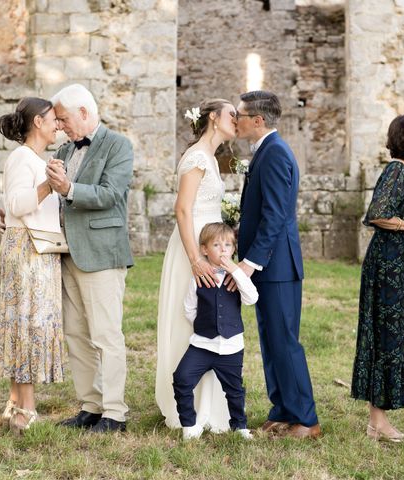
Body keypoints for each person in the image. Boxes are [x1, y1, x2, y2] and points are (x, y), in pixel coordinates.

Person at [45, 84, 134, 433]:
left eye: (64, 119)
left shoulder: (118, 145)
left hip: (101, 253)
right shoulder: (66, 150)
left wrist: (67, 188)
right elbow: (58, 199)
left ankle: (115, 413)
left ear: (84, 112)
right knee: (76, 334)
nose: (61, 126)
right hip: (66, 253)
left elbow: (112, 195)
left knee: (106, 334)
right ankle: (90, 405)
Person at [235, 90, 320, 439]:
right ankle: (282, 407)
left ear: (257, 120)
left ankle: (307, 419)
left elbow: (275, 215)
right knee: (270, 340)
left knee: (285, 341)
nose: (235, 120)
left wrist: (250, 263)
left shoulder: (274, 154)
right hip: (270, 265)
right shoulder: (265, 152)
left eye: (239, 115)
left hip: (277, 266)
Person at [350, 112, 404, 442]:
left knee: (395, 336)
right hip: (389, 265)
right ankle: (377, 421)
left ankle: (378, 419)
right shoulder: (397, 171)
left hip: (402, 263)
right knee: (386, 337)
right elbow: (378, 215)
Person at [155, 99, 238, 431]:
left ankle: (210, 404)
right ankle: (186, 406)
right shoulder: (197, 156)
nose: (238, 119)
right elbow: (183, 210)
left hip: (211, 248)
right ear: (214, 119)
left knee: (211, 322)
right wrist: (195, 259)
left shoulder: (213, 159)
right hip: (193, 249)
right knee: (192, 322)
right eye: (232, 114)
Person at [0, 97, 64, 434]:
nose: (57, 124)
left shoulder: (32, 158)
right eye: (52, 119)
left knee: (23, 325)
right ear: (37, 122)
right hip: (28, 253)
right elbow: (17, 203)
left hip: (36, 249)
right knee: (27, 326)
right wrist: (50, 184)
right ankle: (26, 410)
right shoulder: (23, 157)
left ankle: (14, 402)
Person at [172, 222, 258, 441]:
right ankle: (189, 425)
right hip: (202, 345)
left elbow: (252, 298)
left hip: (231, 347)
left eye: (228, 245)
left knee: (235, 390)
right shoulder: (199, 278)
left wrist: (236, 272)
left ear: (233, 250)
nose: (223, 250)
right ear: (204, 250)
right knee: (181, 378)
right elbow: (189, 308)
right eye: (217, 245)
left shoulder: (237, 278)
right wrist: (204, 326)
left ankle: (239, 426)